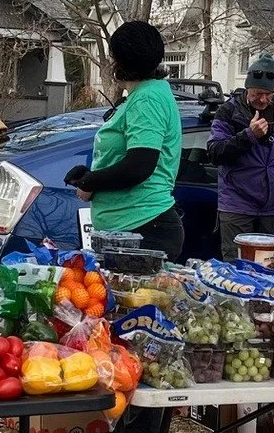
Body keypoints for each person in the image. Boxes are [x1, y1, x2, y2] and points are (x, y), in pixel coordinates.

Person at [63, 21, 184, 260]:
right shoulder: (141, 96)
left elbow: (140, 166)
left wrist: (91, 181)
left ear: (120, 61)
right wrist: (91, 175)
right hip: (127, 229)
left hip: (144, 228)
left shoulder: (148, 99)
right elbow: (128, 158)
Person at [207, 53, 274, 259]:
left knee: (273, 264)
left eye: (268, 94)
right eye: (257, 93)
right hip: (237, 204)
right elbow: (215, 153)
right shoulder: (228, 112)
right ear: (248, 88)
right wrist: (249, 136)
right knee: (236, 264)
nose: (263, 99)